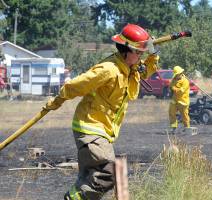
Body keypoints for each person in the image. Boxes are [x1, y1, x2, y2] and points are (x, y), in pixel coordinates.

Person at [43, 24, 159, 200]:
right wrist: (55, 102)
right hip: (89, 127)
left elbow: (147, 71)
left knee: (91, 181)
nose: (141, 55)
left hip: (102, 131)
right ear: (127, 50)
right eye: (139, 52)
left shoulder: (131, 68)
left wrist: (153, 55)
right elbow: (76, 85)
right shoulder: (108, 69)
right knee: (110, 172)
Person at [169, 65, 190, 134]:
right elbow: (171, 85)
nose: (175, 76)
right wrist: (173, 88)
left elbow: (181, 91)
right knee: (171, 112)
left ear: (180, 73)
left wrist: (174, 89)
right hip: (174, 100)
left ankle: (187, 128)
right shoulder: (174, 79)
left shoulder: (185, 81)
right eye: (175, 75)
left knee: (184, 115)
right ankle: (173, 128)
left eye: (177, 74)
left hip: (183, 101)